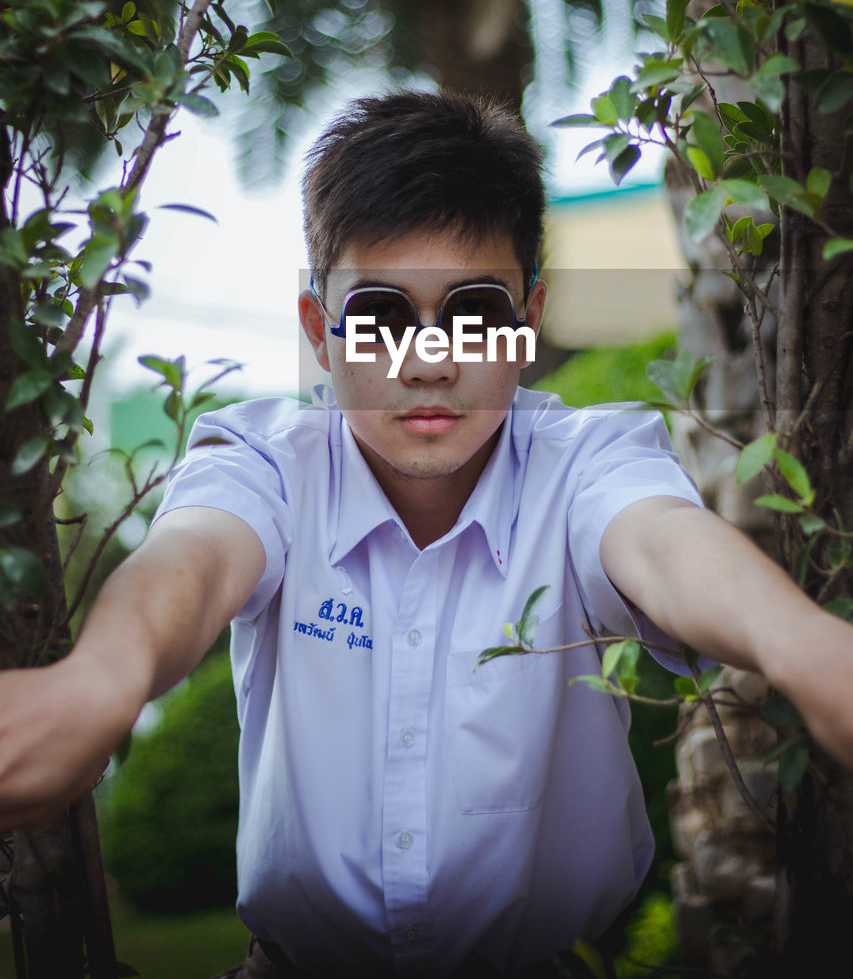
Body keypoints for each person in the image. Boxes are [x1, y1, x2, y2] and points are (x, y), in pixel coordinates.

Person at [1, 90, 852, 978]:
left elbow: (665, 540)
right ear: (319, 332)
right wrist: (101, 681)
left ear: (525, 324)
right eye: (378, 316)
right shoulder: (266, 461)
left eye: (475, 314)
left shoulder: (589, 460)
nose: (429, 359)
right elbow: (193, 558)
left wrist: (804, 647)